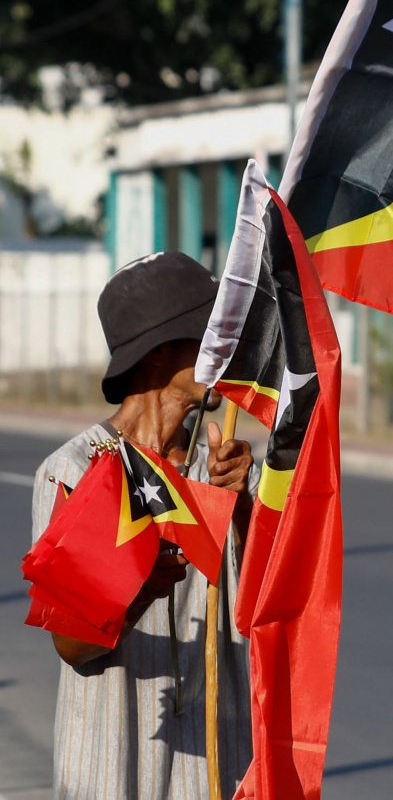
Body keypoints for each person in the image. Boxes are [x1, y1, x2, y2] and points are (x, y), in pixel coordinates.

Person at [31, 251, 257, 799]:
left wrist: (244, 508)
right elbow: (70, 642)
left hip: (214, 768)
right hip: (111, 768)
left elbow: (262, 600)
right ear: (157, 356)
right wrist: (139, 590)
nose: (224, 350)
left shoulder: (219, 466)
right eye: (206, 337)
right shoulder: (77, 469)